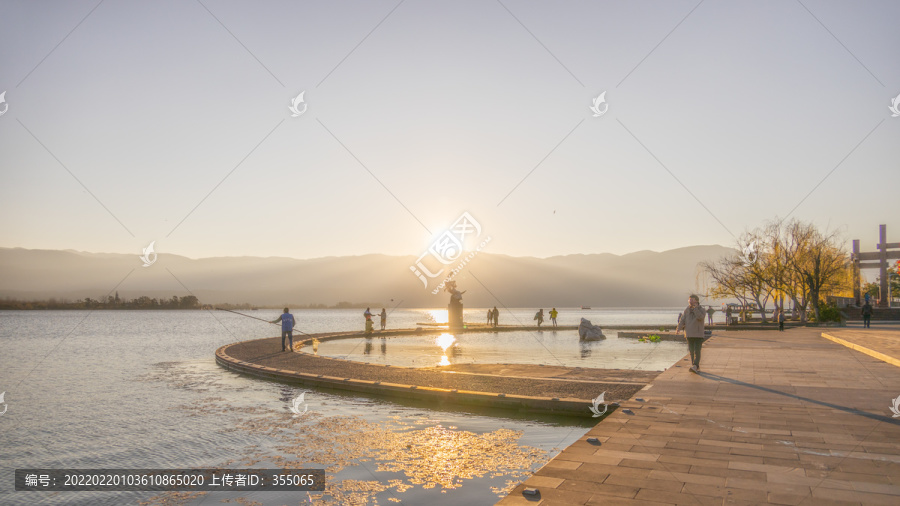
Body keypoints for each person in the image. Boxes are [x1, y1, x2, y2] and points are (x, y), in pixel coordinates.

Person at [676, 295, 706, 373]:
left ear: (696, 300)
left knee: (697, 350)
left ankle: (695, 365)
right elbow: (682, 320)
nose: (689, 301)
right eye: (689, 300)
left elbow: (700, 317)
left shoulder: (702, 309)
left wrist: (695, 308)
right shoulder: (687, 310)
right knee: (691, 351)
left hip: (698, 334)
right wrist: (678, 328)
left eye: (691, 300)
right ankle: (694, 366)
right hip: (689, 333)